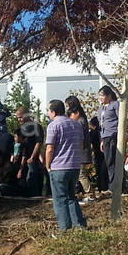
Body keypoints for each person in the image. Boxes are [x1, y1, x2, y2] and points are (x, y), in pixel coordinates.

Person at [44, 99, 87, 231]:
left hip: (59, 167)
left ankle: (65, 228)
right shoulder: (76, 125)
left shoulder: (53, 125)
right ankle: (79, 225)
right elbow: (80, 145)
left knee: (60, 199)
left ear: (53, 112)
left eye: (49, 111)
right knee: (71, 197)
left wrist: (48, 165)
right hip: (74, 166)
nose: (48, 113)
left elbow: (50, 148)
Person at [98, 85, 120, 192]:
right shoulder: (101, 108)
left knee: (112, 161)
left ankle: (114, 186)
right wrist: (102, 140)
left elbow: (120, 119)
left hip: (113, 135)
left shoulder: (115, 105)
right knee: (107, 161)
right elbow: (100, 124)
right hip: (105, 136)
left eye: (102, 96)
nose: (101, 98)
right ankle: (109, 184)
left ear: (109, 95)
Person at [88, 116, 108, 192]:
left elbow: (90, 143)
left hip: (97, 153)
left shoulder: (92, 133)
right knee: (104, 171)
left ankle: (100, 186)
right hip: (104, 153)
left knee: (99, 171)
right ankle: (104, 186)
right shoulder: (103, 132)